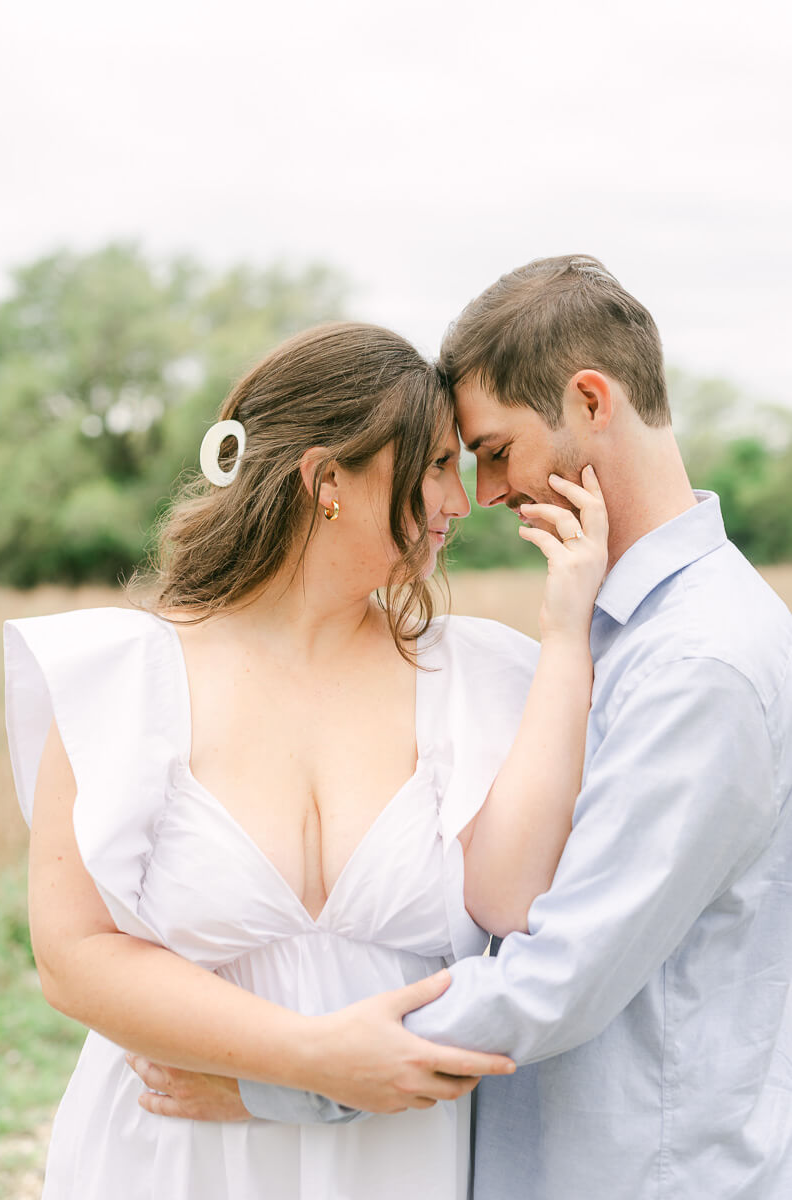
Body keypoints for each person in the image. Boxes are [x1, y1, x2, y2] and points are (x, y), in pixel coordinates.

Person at [144, 258, 792, 1200]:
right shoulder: (618, 628)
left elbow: (557, 976)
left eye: (494, 449)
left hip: (639, 1174)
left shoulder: (698, 662)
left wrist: (288, 1078)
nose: (482, 492)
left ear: (590, 400)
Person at [5, 320, 609, 1199]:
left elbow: (518, 908)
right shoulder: (125, 677)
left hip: (399, 1159)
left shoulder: (478, 677)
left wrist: (565, 637)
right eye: (438, 465)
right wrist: (307, 1062)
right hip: (170, 1154)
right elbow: (71, 955)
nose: (463, 498)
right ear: (328, 479)